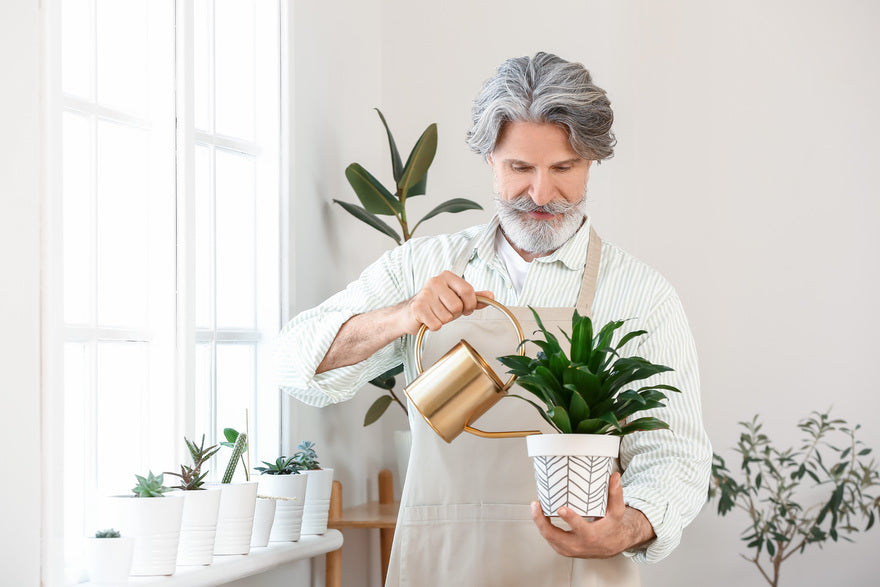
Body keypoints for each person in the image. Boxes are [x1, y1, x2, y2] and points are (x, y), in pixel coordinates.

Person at [276, 52, 711, 586]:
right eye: (520, 168)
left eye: (563, 169)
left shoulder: (642, 294)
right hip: (440, 565)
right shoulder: (420, 266)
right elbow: (295, 366)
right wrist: (401, 316)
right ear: (489, 159)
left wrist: (625, 530)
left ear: (592, 162)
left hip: (578, 570)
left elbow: (676, 457)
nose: (541, 195)